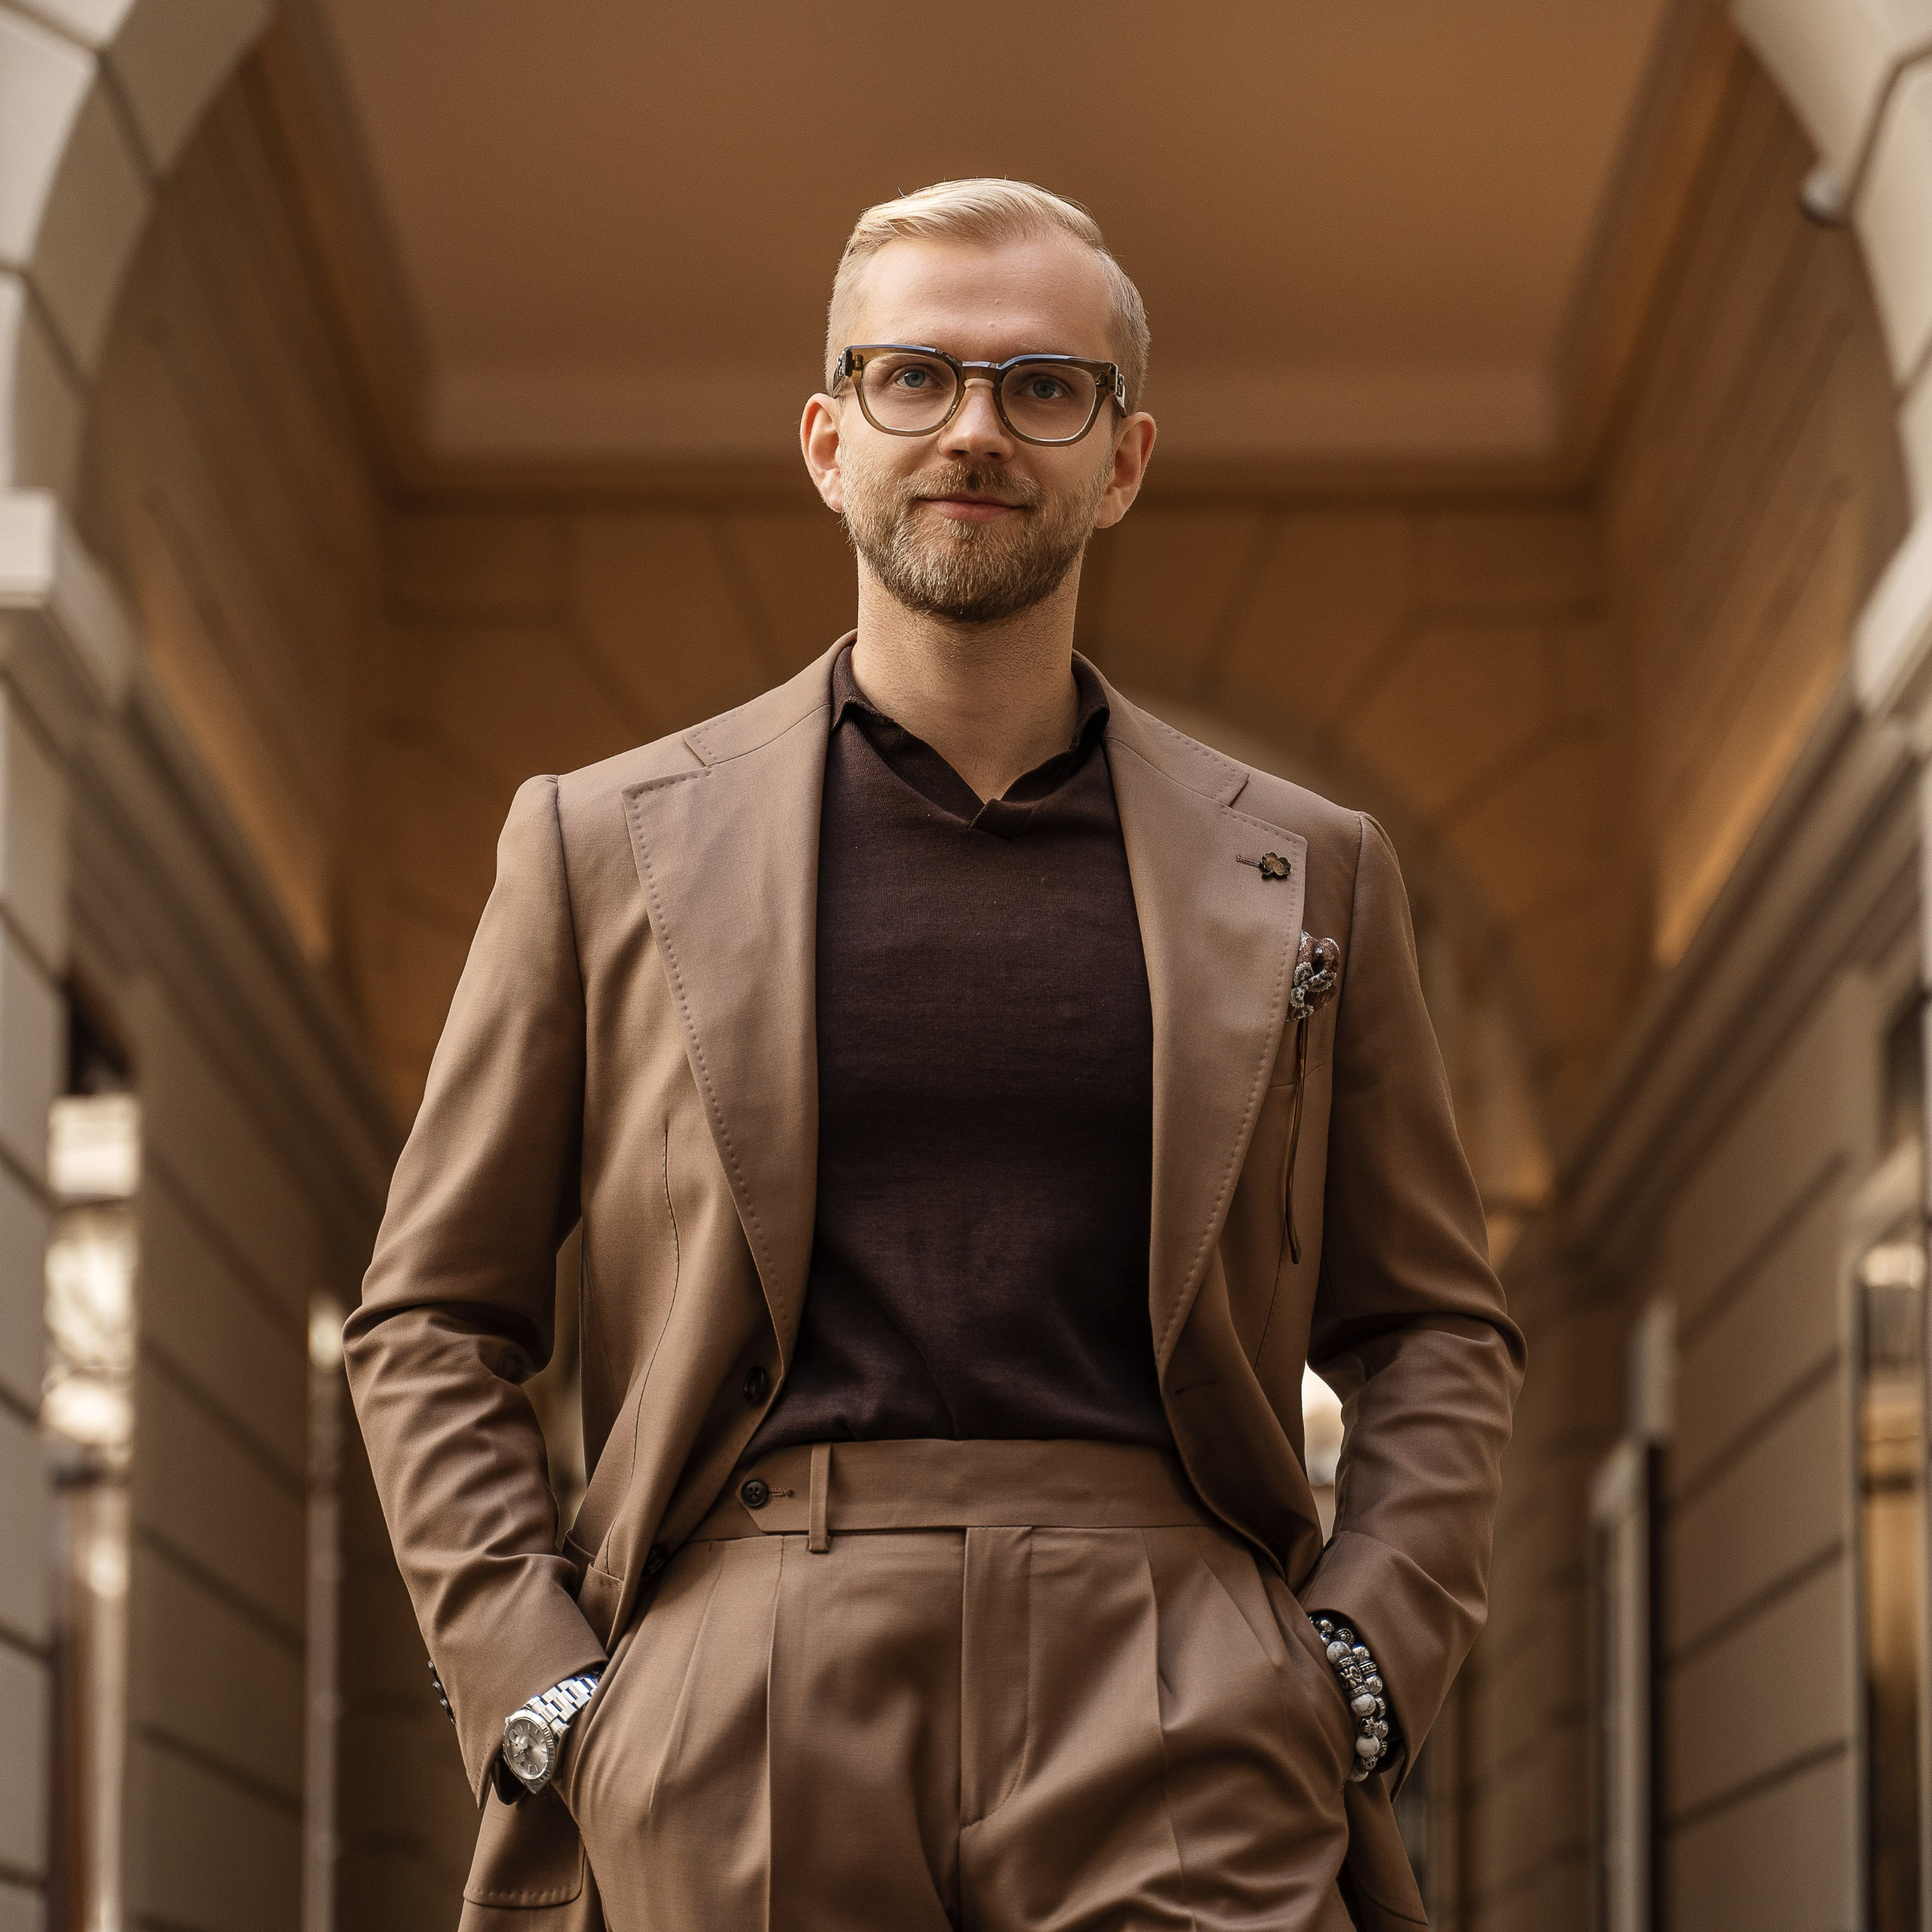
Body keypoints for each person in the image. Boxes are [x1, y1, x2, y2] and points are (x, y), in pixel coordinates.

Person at [346, 178, 1524, 1932]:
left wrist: (1355, 1659)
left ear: (1120, 459)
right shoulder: (599, 844)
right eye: (916, 378)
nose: (973, 429)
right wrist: (547, 1689)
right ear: (828, 440)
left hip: (1183, 1674)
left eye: (1042, 386)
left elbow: (1430, 1322)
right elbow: (431, 1316)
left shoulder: (1310, 867)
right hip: (737, 1670)